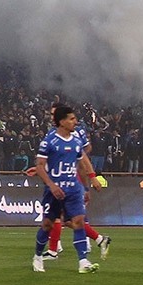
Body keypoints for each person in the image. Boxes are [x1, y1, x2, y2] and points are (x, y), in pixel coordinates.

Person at [31, 105, 100, 274]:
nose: (75, 122)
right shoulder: (49, 141)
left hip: (73, 189)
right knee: (47, 225)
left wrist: (91, 179)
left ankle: (83, 261)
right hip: (53, 190)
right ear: (62, 122)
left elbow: (82, 162)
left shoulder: (77, 142)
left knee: (78, 222)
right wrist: (52, 185)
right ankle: (38, 256)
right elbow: (39, 167)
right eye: (71, 119)